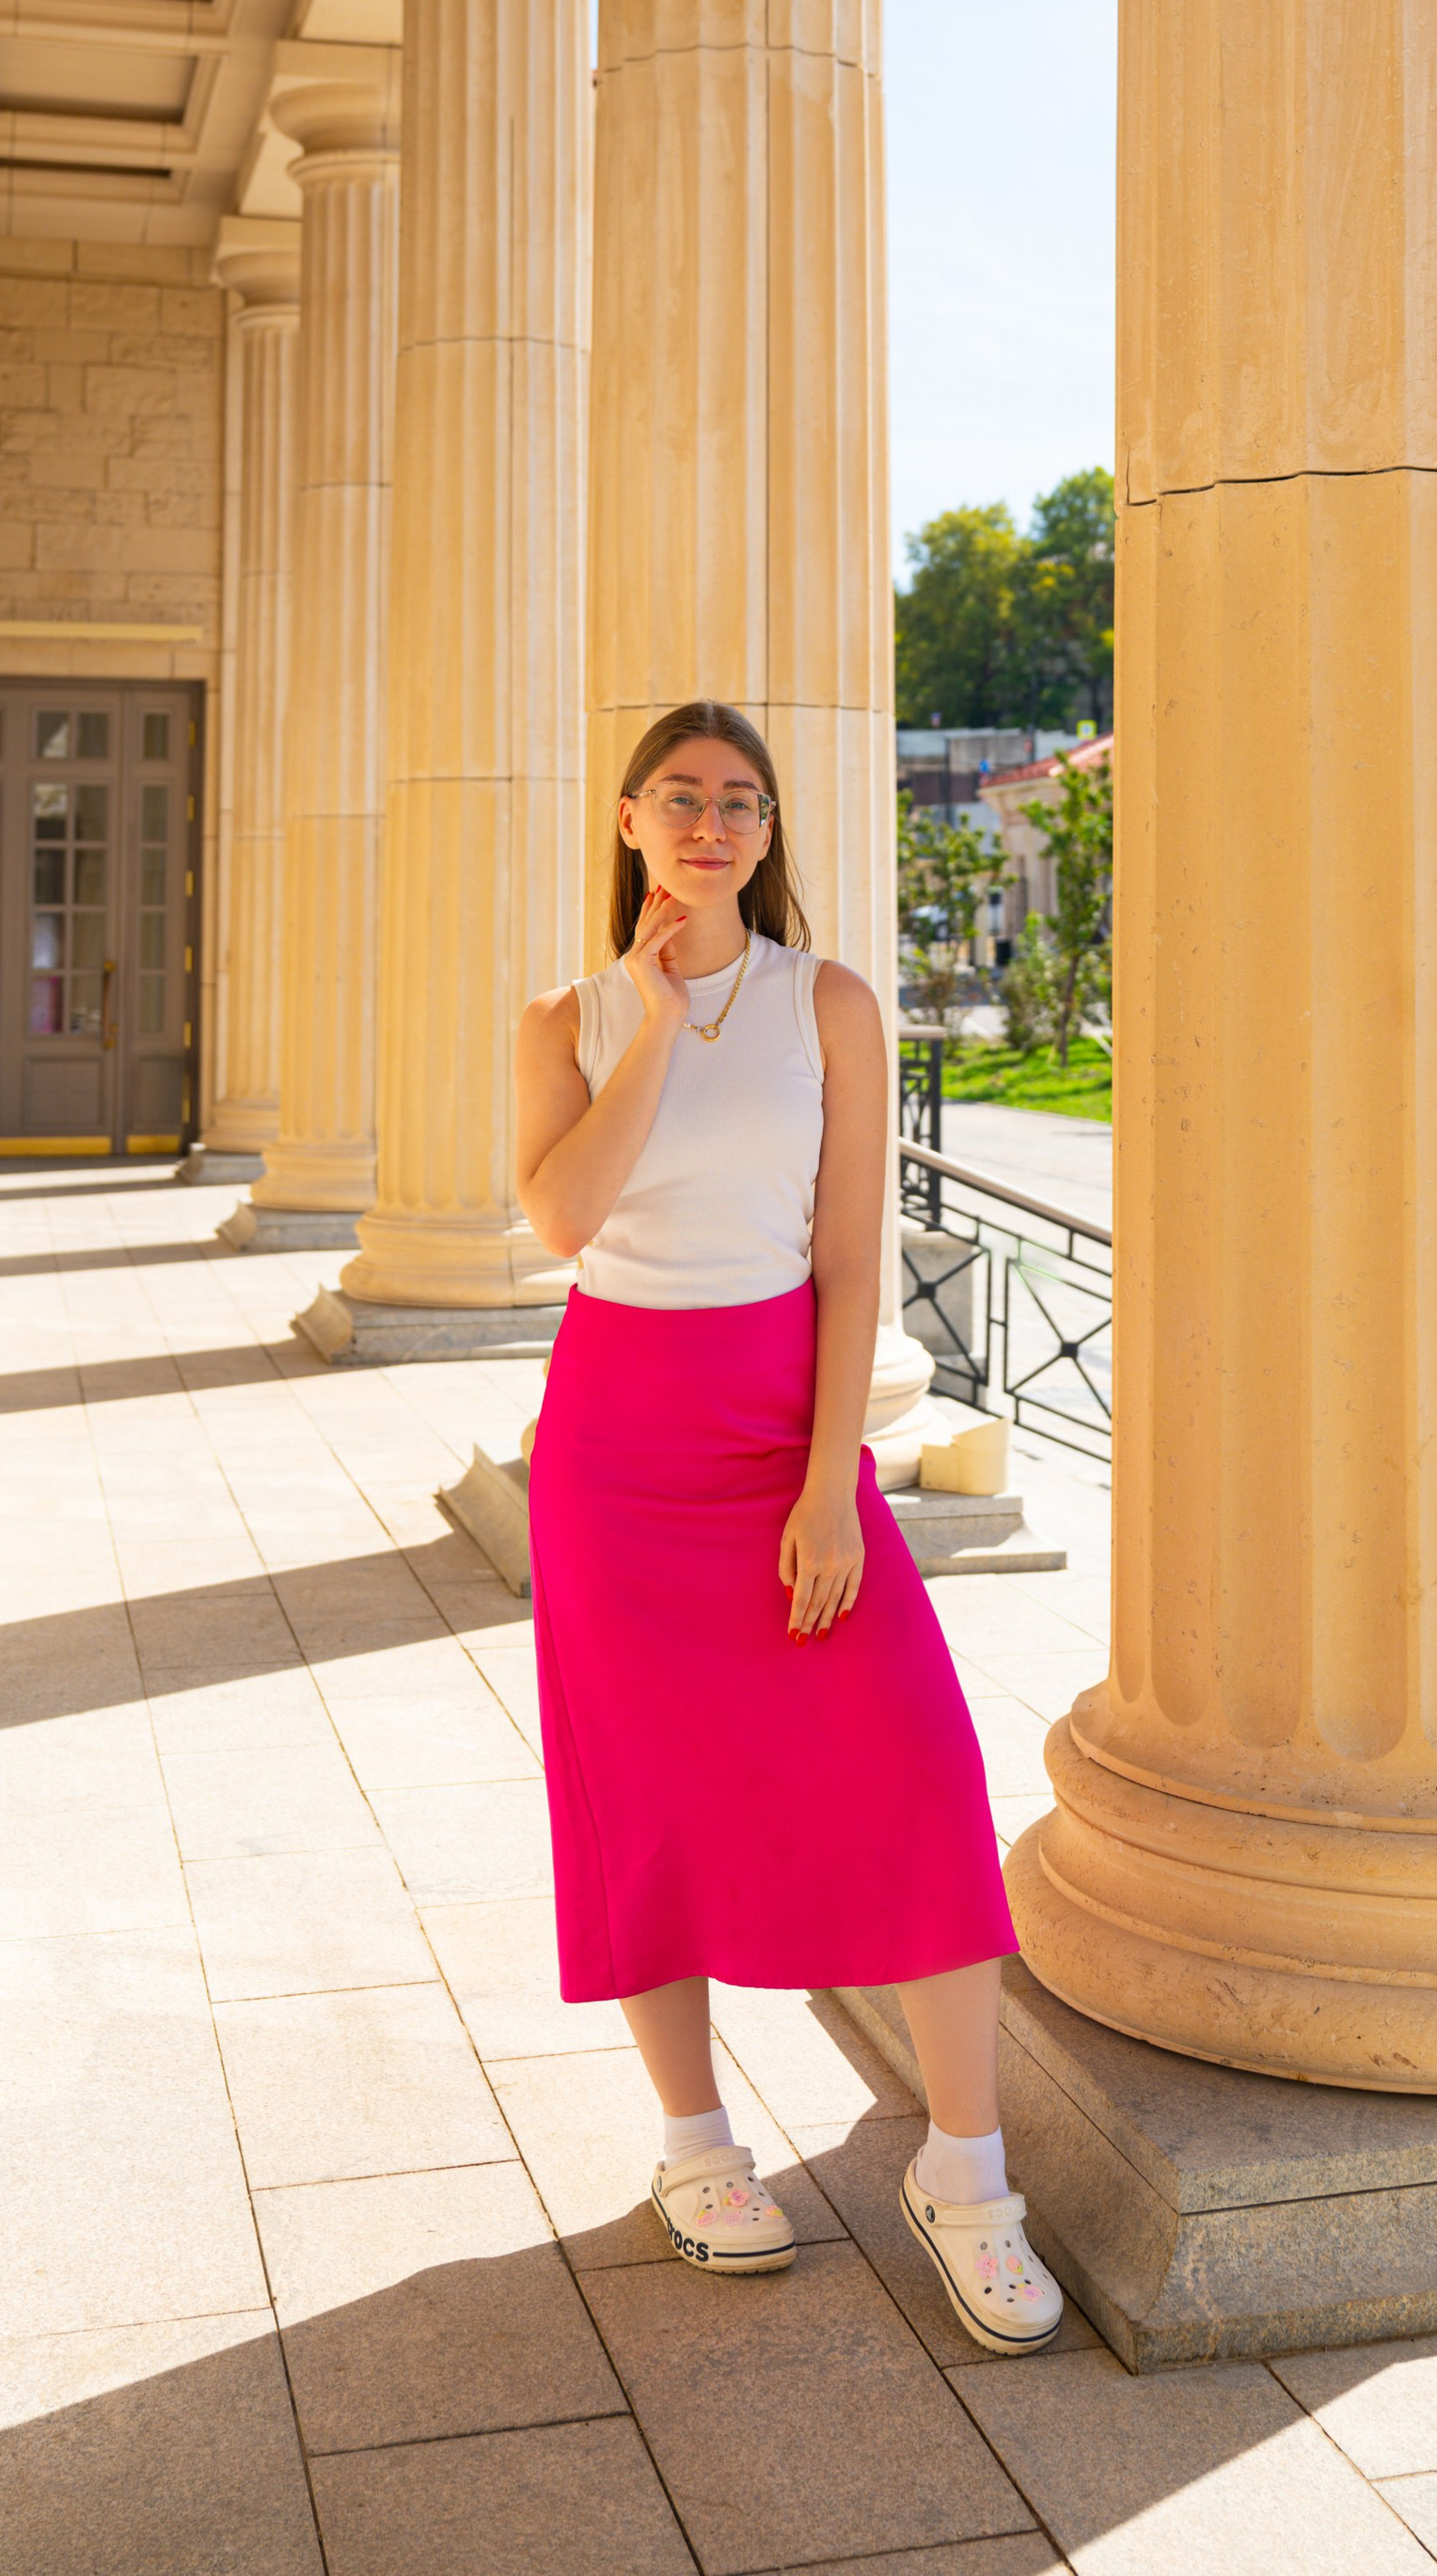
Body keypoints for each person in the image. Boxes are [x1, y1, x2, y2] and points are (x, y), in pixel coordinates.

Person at [513, 699, 1063, 2354]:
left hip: (779, 1418)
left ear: (767, 832)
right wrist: (654, 1027)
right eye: (680, 798)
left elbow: (847, 1256)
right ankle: (697, 2151)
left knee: (915, 1765)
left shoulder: (831, 1002)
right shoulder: (566, 1019)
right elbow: (561, 1217)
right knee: (645, 1795)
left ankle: (968, 2174)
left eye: (741, 802)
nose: (712, 823)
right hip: (617, 1439)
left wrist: (833, 1482)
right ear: (629, 824)